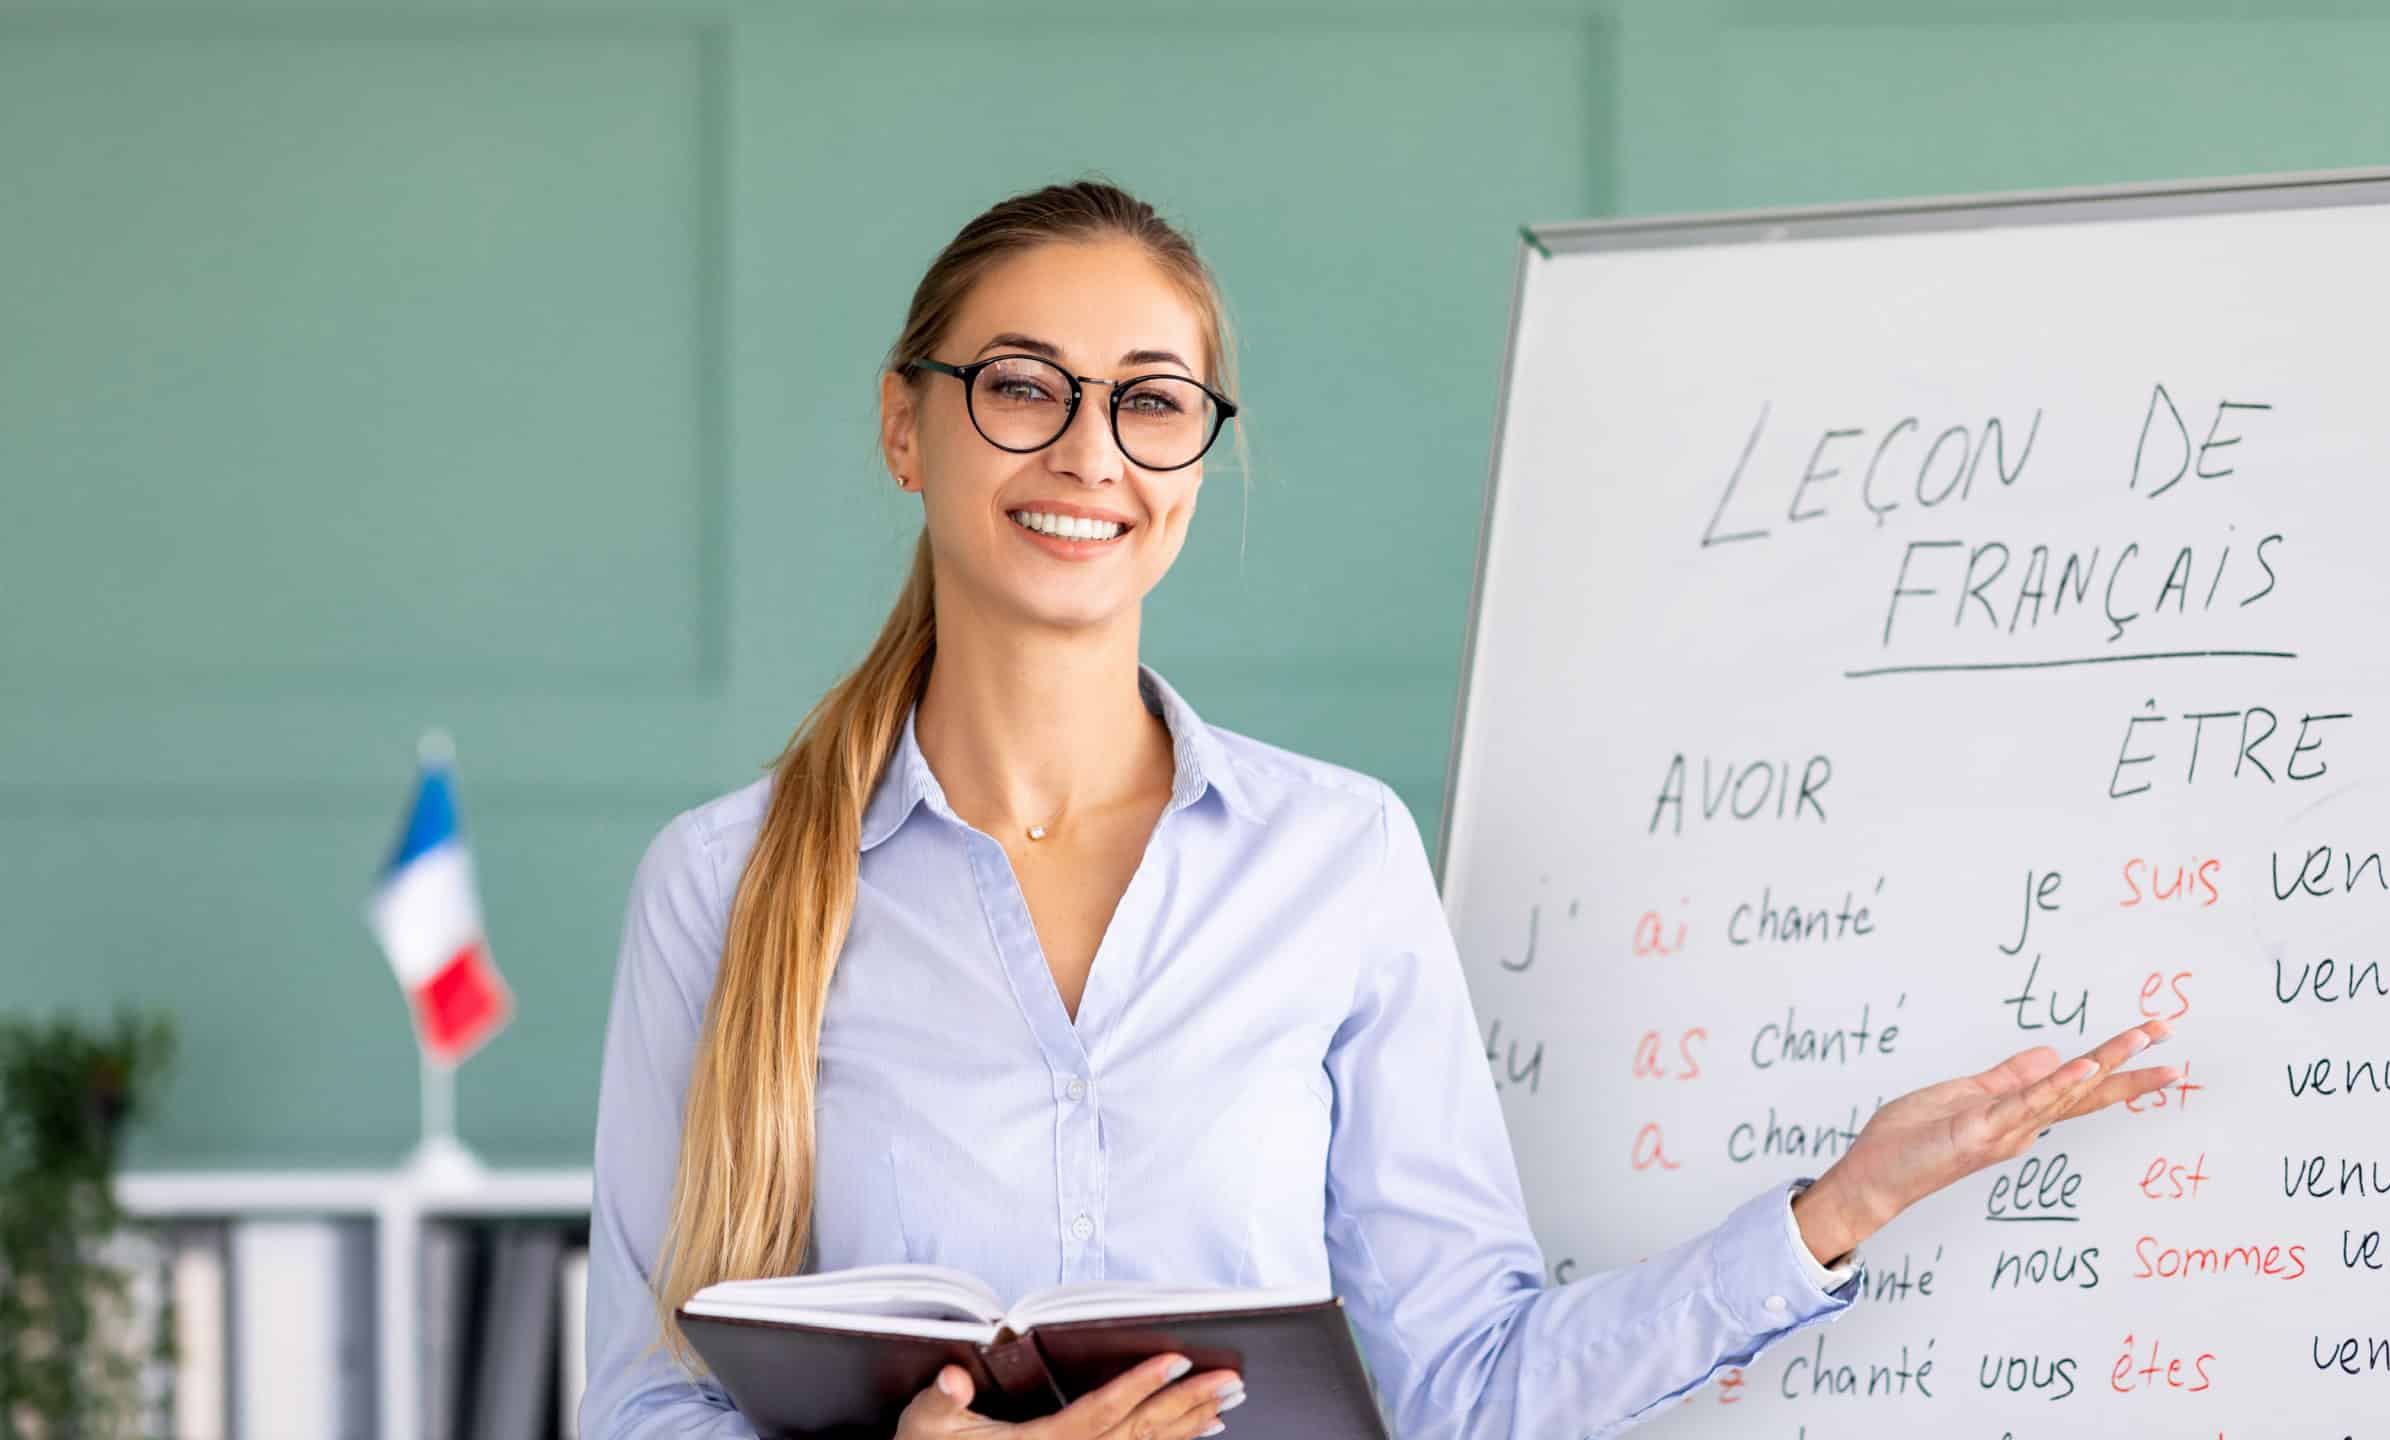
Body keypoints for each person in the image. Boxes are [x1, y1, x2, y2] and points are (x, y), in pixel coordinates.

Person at [577, 178, 2179, 1440]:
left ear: (1197, 458)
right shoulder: (721, 884)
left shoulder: (1332, 860)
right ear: (902, 424)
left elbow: (1466, 1385)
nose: (1088, 452)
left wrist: (1837, 1211)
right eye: (1020, 386)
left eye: (1150, 400)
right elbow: (647, 1406)